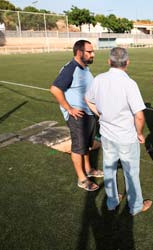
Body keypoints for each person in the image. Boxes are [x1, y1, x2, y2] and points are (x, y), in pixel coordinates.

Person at [85, 47, 152, 215]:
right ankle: (135, 206)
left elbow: (88, 99)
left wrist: (99, 114)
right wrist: (140, 133)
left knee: (109, 168)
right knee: (131, 172)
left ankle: (112, 201)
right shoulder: (129, 84)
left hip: (107, 135)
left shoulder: (99, 79)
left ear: (109, 62)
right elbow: (139, 116)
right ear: (127, 63)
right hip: (126, 137)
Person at [50, 39, 103, 192]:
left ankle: (89, 169)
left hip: (88, 113)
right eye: (89, 52)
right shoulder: (70, 68)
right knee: (78, 147)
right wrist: (70, 109)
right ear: (80, 52)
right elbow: (54, 89)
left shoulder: (84, 68)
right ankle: (82, 179)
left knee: (87, 144)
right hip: (77, 116)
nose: (93, 54)